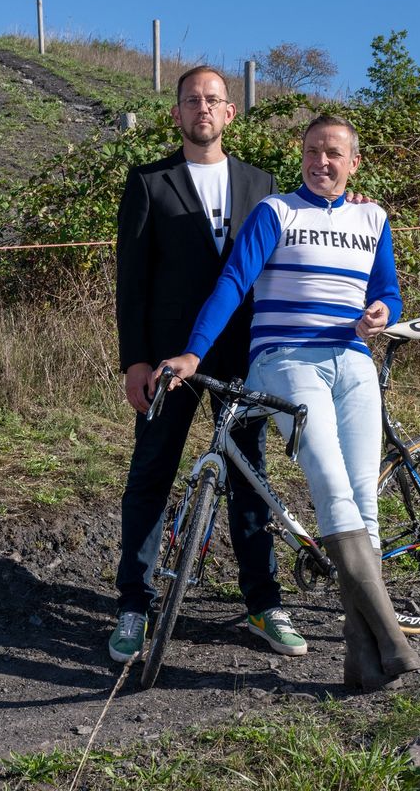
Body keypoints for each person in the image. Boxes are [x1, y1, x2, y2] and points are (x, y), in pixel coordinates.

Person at [156, 114, 420, 690]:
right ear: (301, 156)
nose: (321, 162)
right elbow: (232, 282)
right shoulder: (277, 212)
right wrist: (194, 353)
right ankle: (393, 640)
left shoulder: (373, 218)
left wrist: (384, 313)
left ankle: (361, 659)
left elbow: (388, 291)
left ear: (354, 162)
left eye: (333, 154)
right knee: (329, 484)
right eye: (312, 151)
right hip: (286, 361)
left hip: (355, 362)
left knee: (363, 503)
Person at [110, 65, 306, 664]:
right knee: (152, 474)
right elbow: (132, 282)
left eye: (213, 99)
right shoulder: (149, 182)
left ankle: (263, 605)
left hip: (242, 353)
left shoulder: (262, 184)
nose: (202, 107)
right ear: (177, 113)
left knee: (251, 478)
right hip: (171, 358)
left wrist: (357, 205)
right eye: (192, 99)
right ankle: (134, 608)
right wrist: (136, 361)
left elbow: (304, 236)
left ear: (229, 114)